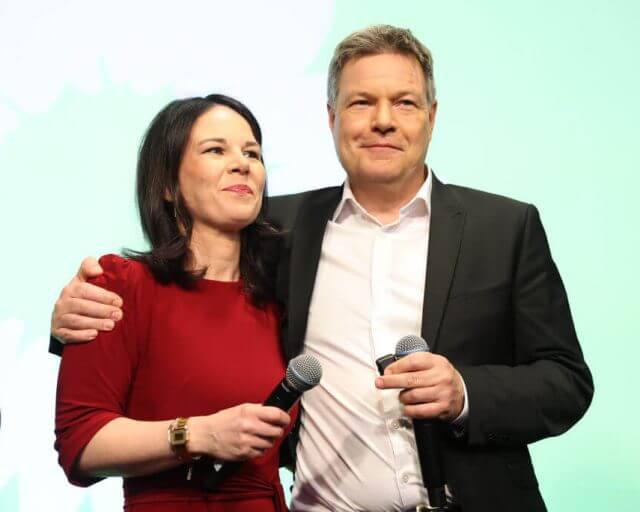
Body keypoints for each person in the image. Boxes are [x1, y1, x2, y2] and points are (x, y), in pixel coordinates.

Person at [50, 26, 593, 512]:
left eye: (404, 102)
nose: (383, 120)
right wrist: (67, 322)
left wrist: (465, 392)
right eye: (361, 102)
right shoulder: (277, 231)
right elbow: (185, 296)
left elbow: (566, 381)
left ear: (431, 116)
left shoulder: (505, 227)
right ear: (332, 118)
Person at [52, 94, 297, 512]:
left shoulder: (282, 293)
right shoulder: (120, 285)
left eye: (252, 153)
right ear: (167, 184)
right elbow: (80, 442)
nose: (241, 164)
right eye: (216, 150)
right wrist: (199, 435)